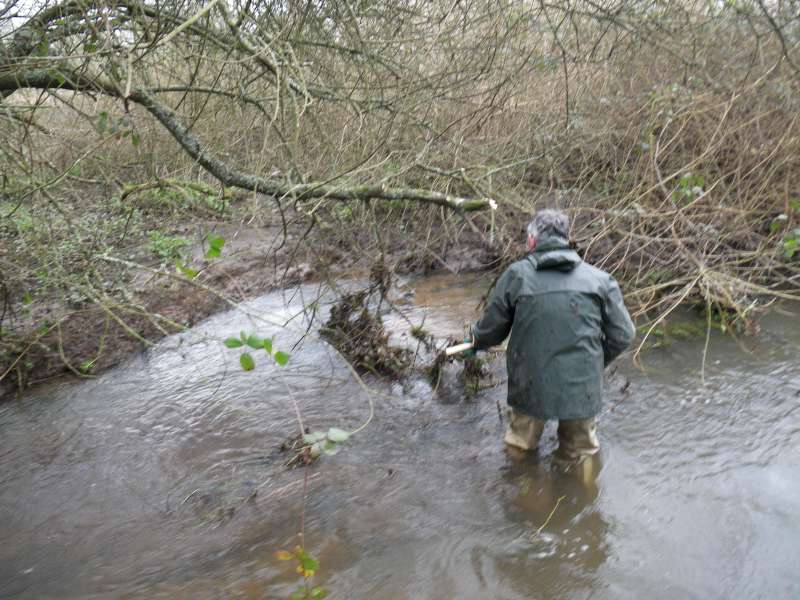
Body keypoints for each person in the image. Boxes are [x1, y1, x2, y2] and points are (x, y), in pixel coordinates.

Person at [471, 209, 635, 460]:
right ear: (566, 239)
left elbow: (491, 331)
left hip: (530, 384)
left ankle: (525, 494)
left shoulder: (516, 276)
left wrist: (474, 342)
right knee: (582, 455)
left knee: (519, 448)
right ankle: (582, 495)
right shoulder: (601, 280)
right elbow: (624, 334)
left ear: (533, 241)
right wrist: (594, 363)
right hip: (582, 386)